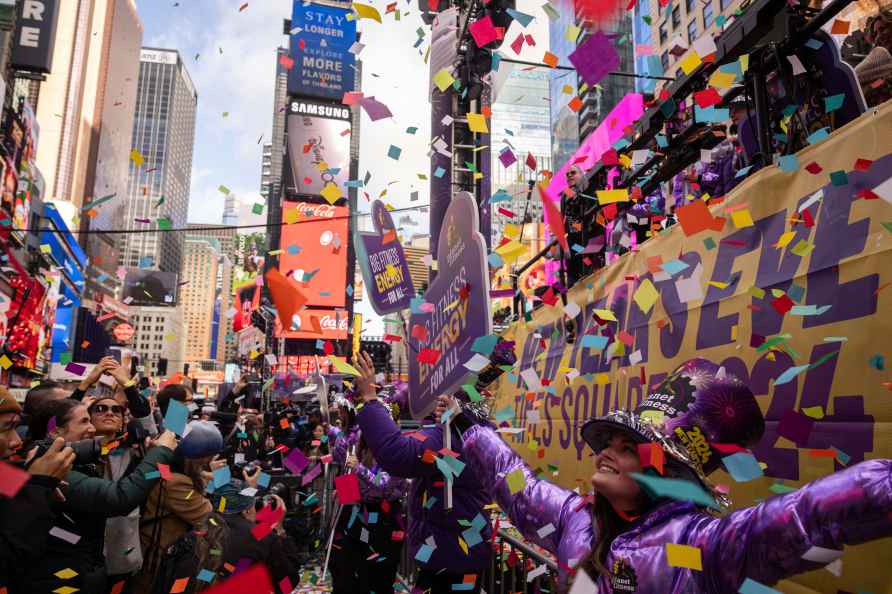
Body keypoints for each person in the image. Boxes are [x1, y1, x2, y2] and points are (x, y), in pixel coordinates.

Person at [442, 358, 892, 592]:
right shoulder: (575, 519)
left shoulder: (703, 546)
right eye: (608, 445)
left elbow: (805, 516)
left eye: (627, 449)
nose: (605, 455)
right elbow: (513, 480)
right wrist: (471, 427)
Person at [353, 352, 492, 594]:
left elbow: (398, 457)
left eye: (446, 399)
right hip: (448, 555)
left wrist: (369, 397)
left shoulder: (454, 437)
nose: (439, 403)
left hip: (448, 557)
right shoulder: (472, 432)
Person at [22, 394, 178, 594]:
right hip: (66, 573)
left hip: (118, 553)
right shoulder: (54, 466)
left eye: (116, 410)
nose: (108, 414)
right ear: (56, 431)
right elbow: (120, 497)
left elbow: (156, 477)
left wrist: (155, 459)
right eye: (98, 411)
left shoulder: (132, 451)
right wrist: (160, 454)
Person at [0, 390, 76, 593]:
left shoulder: (10, 473)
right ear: (56, 430)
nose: (16, 441)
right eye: (7, 428)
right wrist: (37, 487)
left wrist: (34, 485)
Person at [329, 416, 410, 594]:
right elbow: (355, 481)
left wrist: (359, 468)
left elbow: (383, 487)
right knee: (355, 566)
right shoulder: (361, 447)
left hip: (386, 519)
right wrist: (344, 489)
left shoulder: (395, 453)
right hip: (361, 515)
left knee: (381, 571)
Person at [138, 421, 222, 591]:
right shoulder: (175, 484)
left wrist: (205, 475)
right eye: (207, 456)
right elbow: (207, 514)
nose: (210, 460)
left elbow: (186, 475)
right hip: (159, 559)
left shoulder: (167, 468)